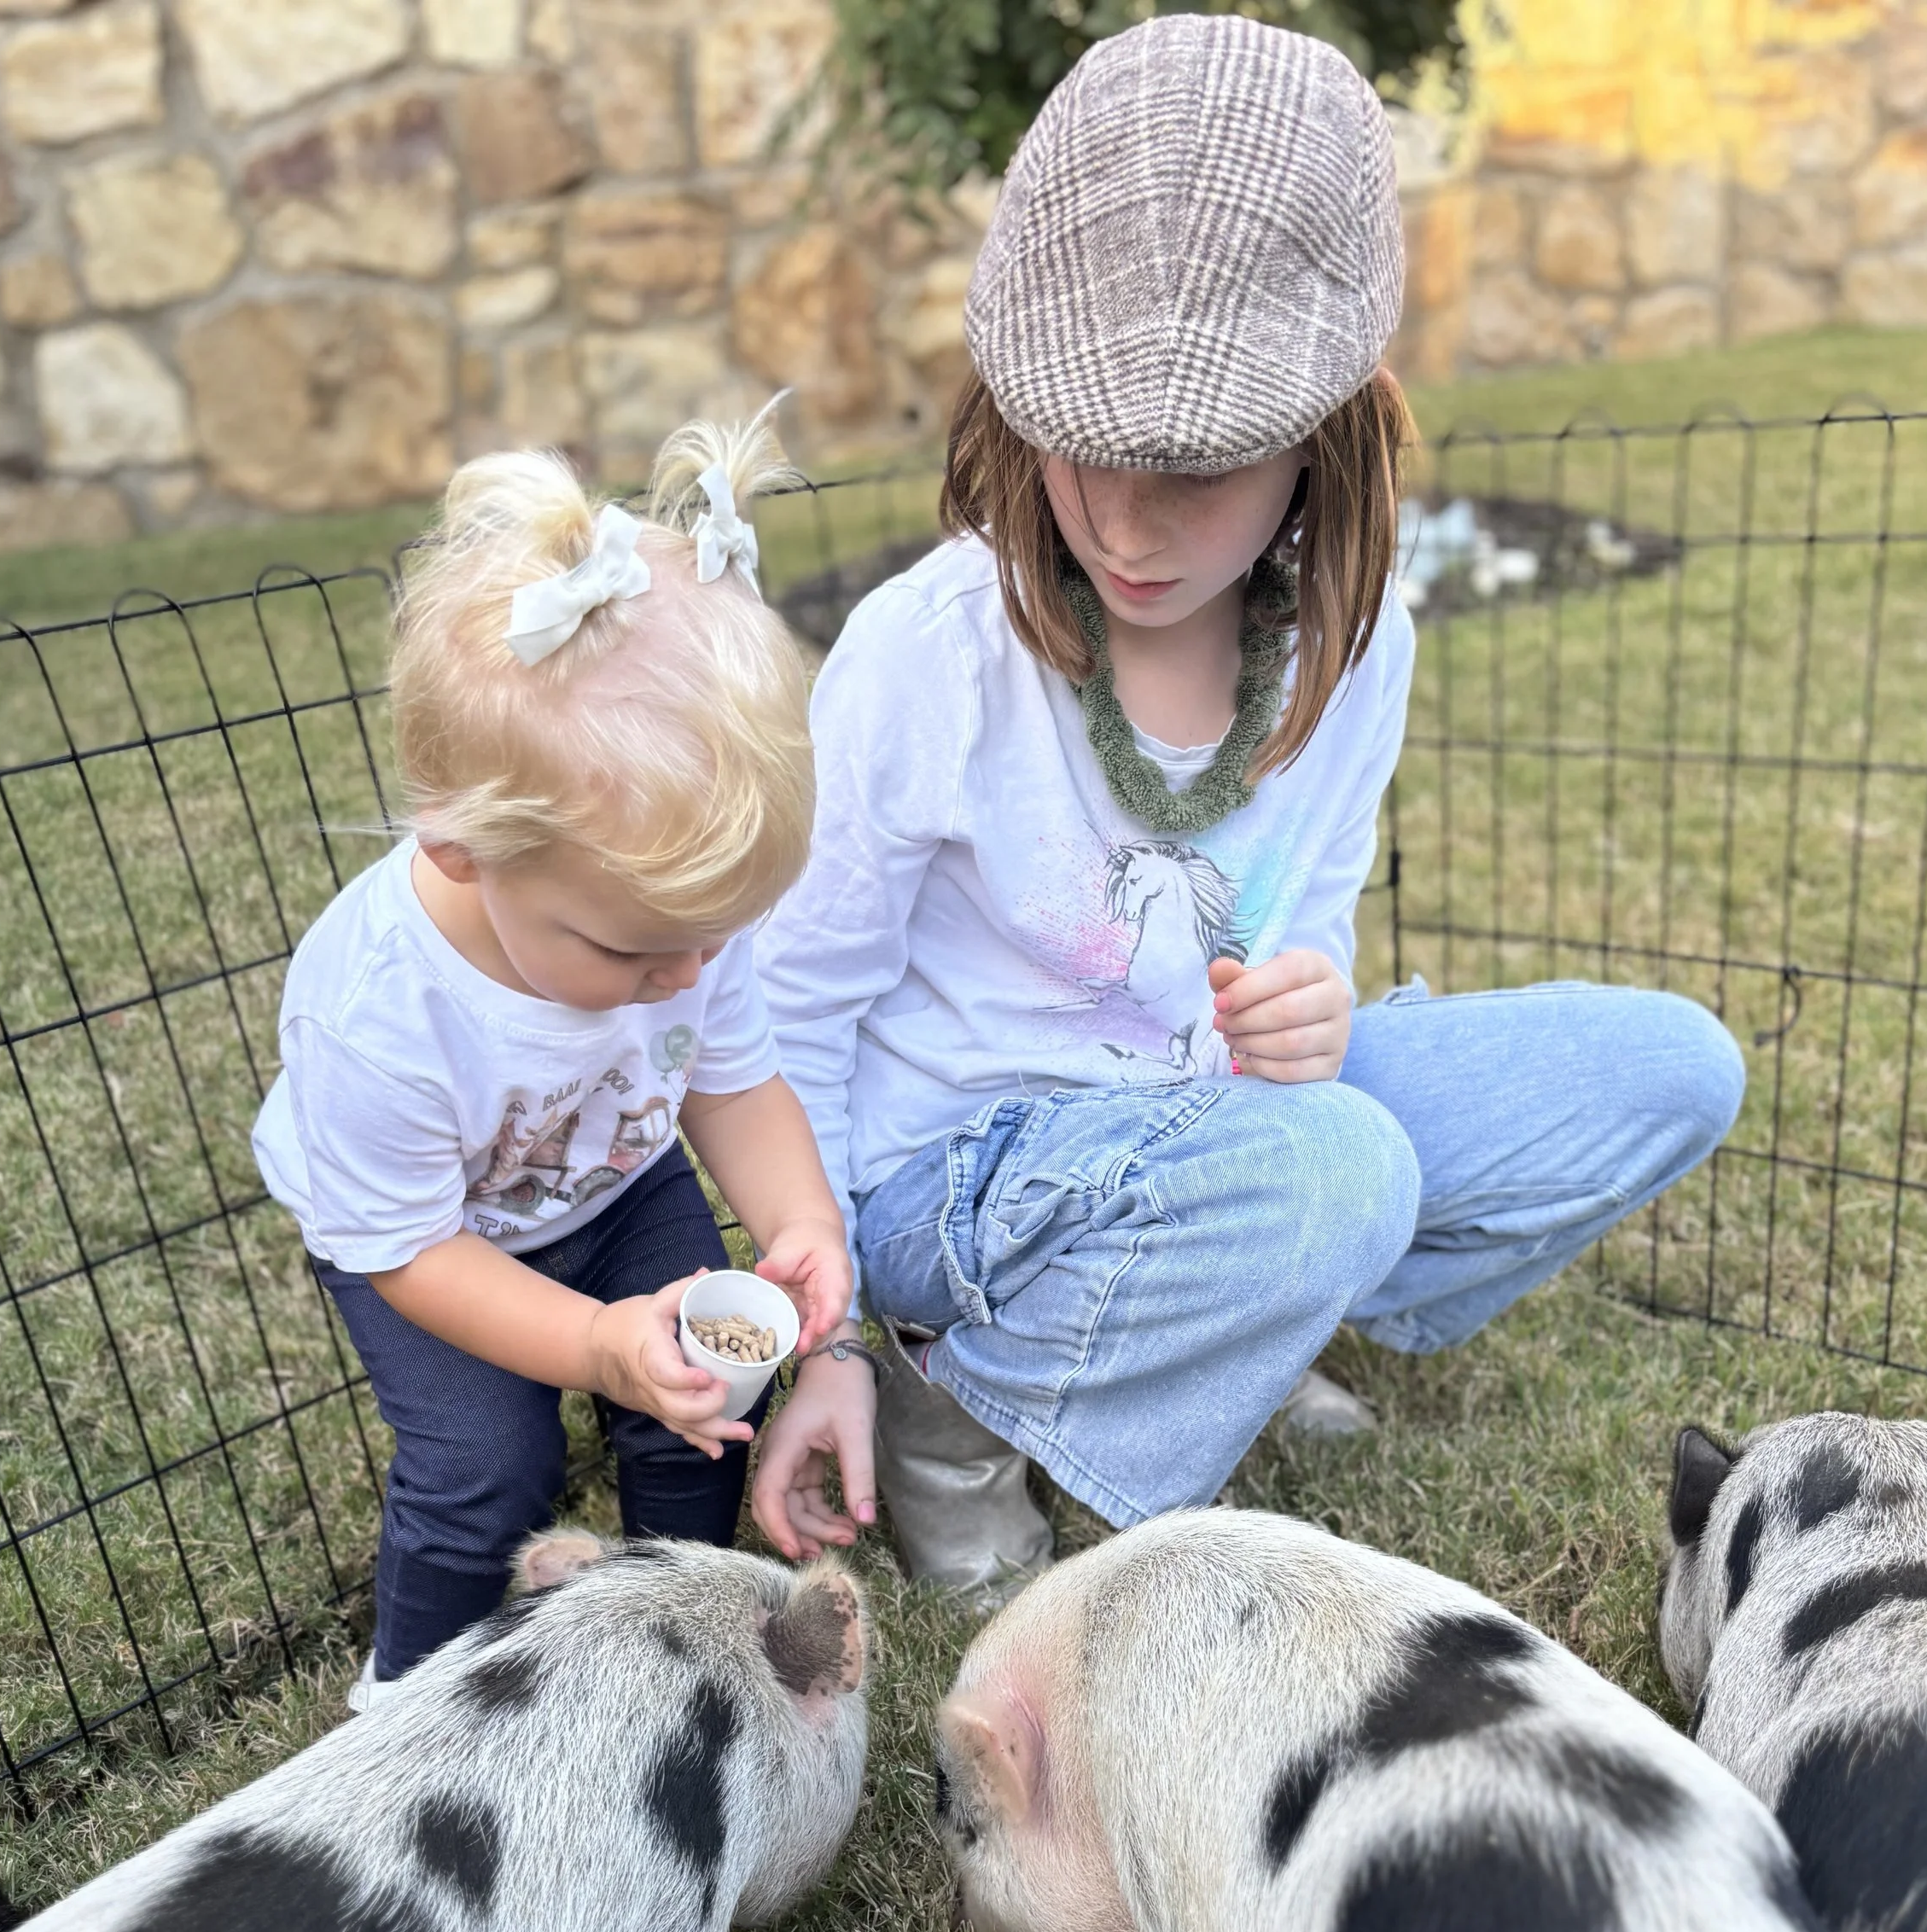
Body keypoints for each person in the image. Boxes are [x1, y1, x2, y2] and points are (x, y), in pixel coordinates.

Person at [749, 13, 1744, 1596]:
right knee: (1342, 1168)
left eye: (1203, 466)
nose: (1131, 525)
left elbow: (1304, 911)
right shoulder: (928, 651)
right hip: (955, 1180)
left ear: (1320, 439)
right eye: (1087, 448)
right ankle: (961, 1412)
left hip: (1221, 1116)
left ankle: (1251, 1307)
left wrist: (1312, 1008)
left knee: (1669, 1071)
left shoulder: (1355, 645)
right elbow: (784, 1008)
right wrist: (826, 1329)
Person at [253, 415, 859, 1702]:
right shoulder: (377, 1010)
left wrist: (799, 1218)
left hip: (621, 1182)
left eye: (710, 942)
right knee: (487, 1467)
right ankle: (406, 1705)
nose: (684, 980)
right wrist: (593, 1344)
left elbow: (731, 1078)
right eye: (637, 954)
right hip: (436, 1244)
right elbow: (413, 1252)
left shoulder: (673, 927)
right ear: (465, 846)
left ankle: (661, 1647)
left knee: (695, 1413)